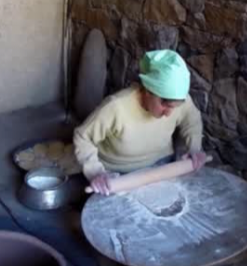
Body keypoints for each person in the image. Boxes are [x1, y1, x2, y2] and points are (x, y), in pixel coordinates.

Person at [73, 49, 206, 195]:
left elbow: (191, 121)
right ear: (148, 90)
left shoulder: (181, 100)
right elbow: (82, 136)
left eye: (175, 107)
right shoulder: (116, 107)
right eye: (164, 105)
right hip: (118, 174)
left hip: (162, 165)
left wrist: (194, 148)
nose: (169, 113)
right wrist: (96, 172)